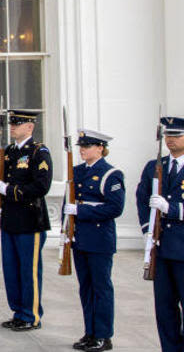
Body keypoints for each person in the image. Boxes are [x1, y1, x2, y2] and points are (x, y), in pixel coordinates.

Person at [0, 109, 52, 331]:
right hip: (10, 219)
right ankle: (18, 311)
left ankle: (31, 315)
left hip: (30, 220)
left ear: (30, 127)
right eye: (12, 124)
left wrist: (9, 190)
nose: (12, 127)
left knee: (29, 270)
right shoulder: (9, 152)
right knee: (12, 269)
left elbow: (41, 186)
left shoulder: (39, 152)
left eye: (17, 124)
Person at [64, 128, 123, 352]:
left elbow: (114, 208)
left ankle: (103, 335)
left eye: (87, 146)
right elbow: (69, 201)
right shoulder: (76, 171)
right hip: (80, 238)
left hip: (99, 239)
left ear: (100, 148)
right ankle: (90, 332)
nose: (82, 150)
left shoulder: (111, 174)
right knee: (86, 288)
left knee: (101, 288)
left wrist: (81, 211)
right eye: (81, 147)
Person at [140, 115, 184, 352]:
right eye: (168, 135)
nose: (170, 140)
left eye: (176, 135)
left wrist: (173, 209)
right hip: (162, 248)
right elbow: (141, 198)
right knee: (165, 309)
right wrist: (148, 229)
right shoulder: (155, 166)